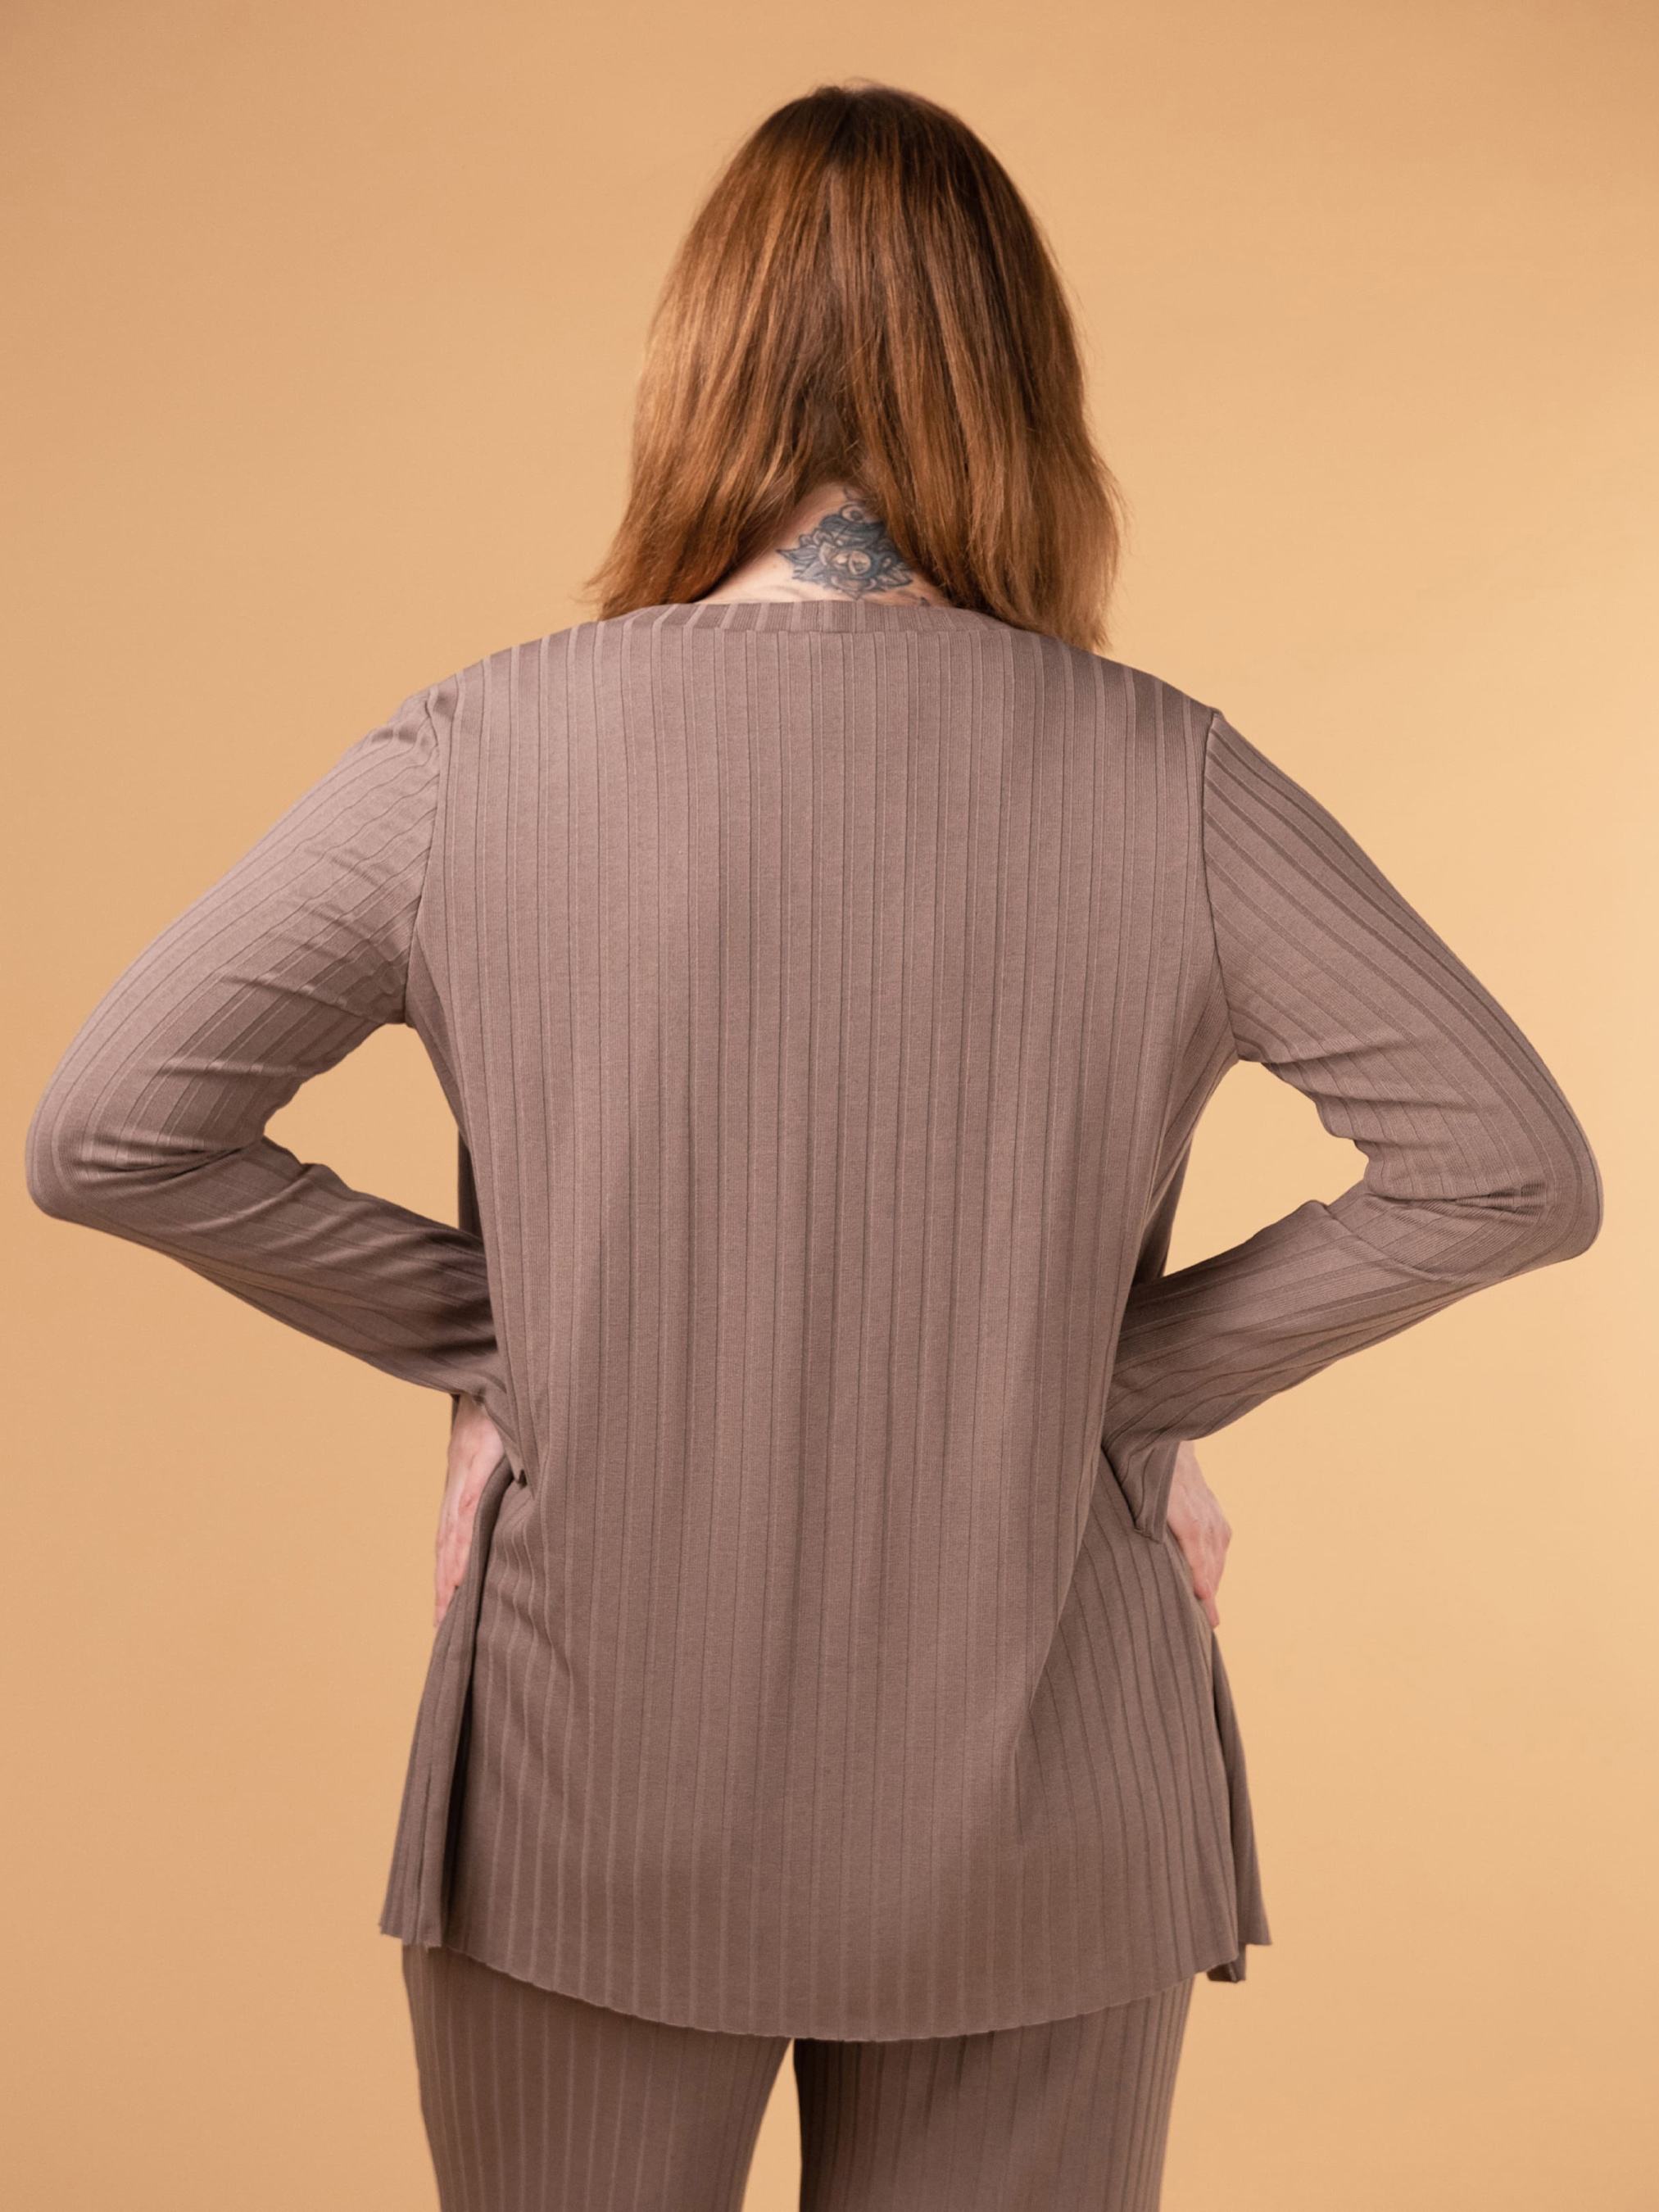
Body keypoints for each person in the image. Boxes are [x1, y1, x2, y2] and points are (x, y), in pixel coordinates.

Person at [24, 78, 1601, 2212]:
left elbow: (112, 1130)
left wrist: (511, 1349)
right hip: (1047, 1798)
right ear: (1026, 393)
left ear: (694, 373)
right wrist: (1121, 1390)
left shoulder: (475, 758)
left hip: (592, 1791)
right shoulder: (1169, 781)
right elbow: (1509, 1166)